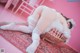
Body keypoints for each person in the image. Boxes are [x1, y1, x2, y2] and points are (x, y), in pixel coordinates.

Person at [0, 6, 75, 53]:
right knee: (36, 32)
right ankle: (34, 44)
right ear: (67, 20)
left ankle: (11, 26)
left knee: (30, 29)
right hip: (47, 14)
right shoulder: (63, 20)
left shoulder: (58, 15)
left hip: (42, 8)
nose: (67, 25)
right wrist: (66, 36)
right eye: (68, 24)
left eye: (69, 26)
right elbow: (66, 30)